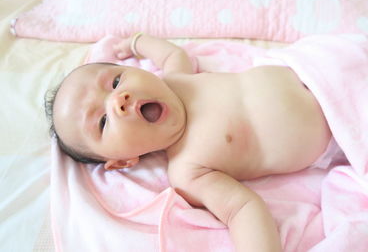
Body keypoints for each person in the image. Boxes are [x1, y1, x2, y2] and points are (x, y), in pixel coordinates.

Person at [47, 33, 334, 252]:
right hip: (339, 132)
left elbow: (172, 54)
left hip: (318, 69)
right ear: (123, 161)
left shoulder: (176, 79)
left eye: (115, 81)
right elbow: (241, 210)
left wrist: (138, 42)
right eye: (103, 122)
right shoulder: (188, 170)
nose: (118, 100)